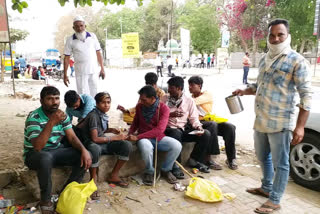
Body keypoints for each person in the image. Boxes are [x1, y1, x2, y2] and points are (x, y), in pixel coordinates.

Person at [233, 19, 312, 214]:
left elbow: (306, 95)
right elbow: (259, 86)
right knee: (261, 156)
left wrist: (300, 126)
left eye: (280, 34)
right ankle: (266, 187)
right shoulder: (265, 59)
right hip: (260, 119)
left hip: (280, 122)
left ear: (287, 36)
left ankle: (275, 200)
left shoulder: (296, 60)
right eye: (272, 35)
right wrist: (244, 91)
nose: (275, 39)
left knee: (281, 163)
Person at [23, 86, 92, 214]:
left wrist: (84, 150)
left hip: (55, 151)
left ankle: (66, 192)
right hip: (34, 155)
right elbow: (38, 146)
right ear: (41, 101)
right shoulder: (34, 117)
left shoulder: (62, 115)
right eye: (49, 99)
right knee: (45, 157)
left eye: (56, 98)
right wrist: (51, 122)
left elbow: (71, 137)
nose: (54, 102)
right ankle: (45, 200)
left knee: (85, 155)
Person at [77, 92, 132, 199]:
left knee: (126, 146)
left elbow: (101, 130)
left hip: (103, 141)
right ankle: (93, 181)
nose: (106, 105)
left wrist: (111, 130)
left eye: (108, 102)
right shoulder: (93, 115)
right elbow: (95, 138)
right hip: (92, 142)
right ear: (97, 103)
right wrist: (115, 138)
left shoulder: (102, 114)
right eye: (103, 102)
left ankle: (114, 175)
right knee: (95, 148)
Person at [128, 85, 182, 186]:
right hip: (144, 137)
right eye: (140, 99)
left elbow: (159, 130)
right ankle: (150, 171)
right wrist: (130, 133)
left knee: (177, 145)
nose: (141, 102)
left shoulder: (163, 108)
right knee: (145, 146)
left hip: (157, 137)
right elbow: (135, 122)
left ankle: (166, 169)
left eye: (144, 100)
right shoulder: (140, 106)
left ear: (153, 98)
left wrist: (137, 137)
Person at [162, 76, 211, 179]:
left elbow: (194, 118)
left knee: (205, 134)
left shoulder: (189, 100)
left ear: (179, 88)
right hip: (168, 130)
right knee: (175, 133)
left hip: (182, 130)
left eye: (171, 88)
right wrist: (170, 114)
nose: (169, 90)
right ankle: (176, 166)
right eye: (169, 87)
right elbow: (157, 115)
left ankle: (194, 159)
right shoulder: (164, 99)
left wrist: (198, 127)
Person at [188, 76, 237, 170]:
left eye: (192, 85)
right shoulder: (190, 98)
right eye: (189, 85)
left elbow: (194, 102)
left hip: (209, 120)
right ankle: (208, 158)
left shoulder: (206, 95)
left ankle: (231, 159)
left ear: (199, 85)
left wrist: (186, 102)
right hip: (199, 123)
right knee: (212, 125)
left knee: (230, 127)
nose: (189, 87)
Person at [63, 16, 105, 97]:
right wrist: (65, 74)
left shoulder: (92, 36)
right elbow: (67, 58)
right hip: (81, 72)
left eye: (81, 25)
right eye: (77, 26)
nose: (79, 28)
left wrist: (102, 69)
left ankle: (93, 109)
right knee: (83, 95)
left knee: (94, 92)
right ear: (73, 28)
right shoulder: (70, 39)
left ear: (85, 26)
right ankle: (85, 110)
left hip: (93, 71)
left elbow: (98, 52)